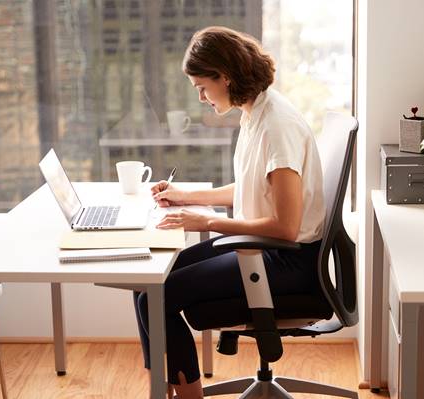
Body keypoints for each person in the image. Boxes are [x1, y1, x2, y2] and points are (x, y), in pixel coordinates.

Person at [133, 26, 326, 399]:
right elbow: (257, 189)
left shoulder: (277, 126)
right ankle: (167, 388)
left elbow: (285, 226)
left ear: (225, 76)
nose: (203, 98)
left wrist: (207, 221)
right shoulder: (256, 112)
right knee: (147, 284)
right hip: (261, 247)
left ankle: (184, 394)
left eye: (203, 87)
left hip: (286, 259)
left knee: (158, 295)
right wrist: (186, 197)